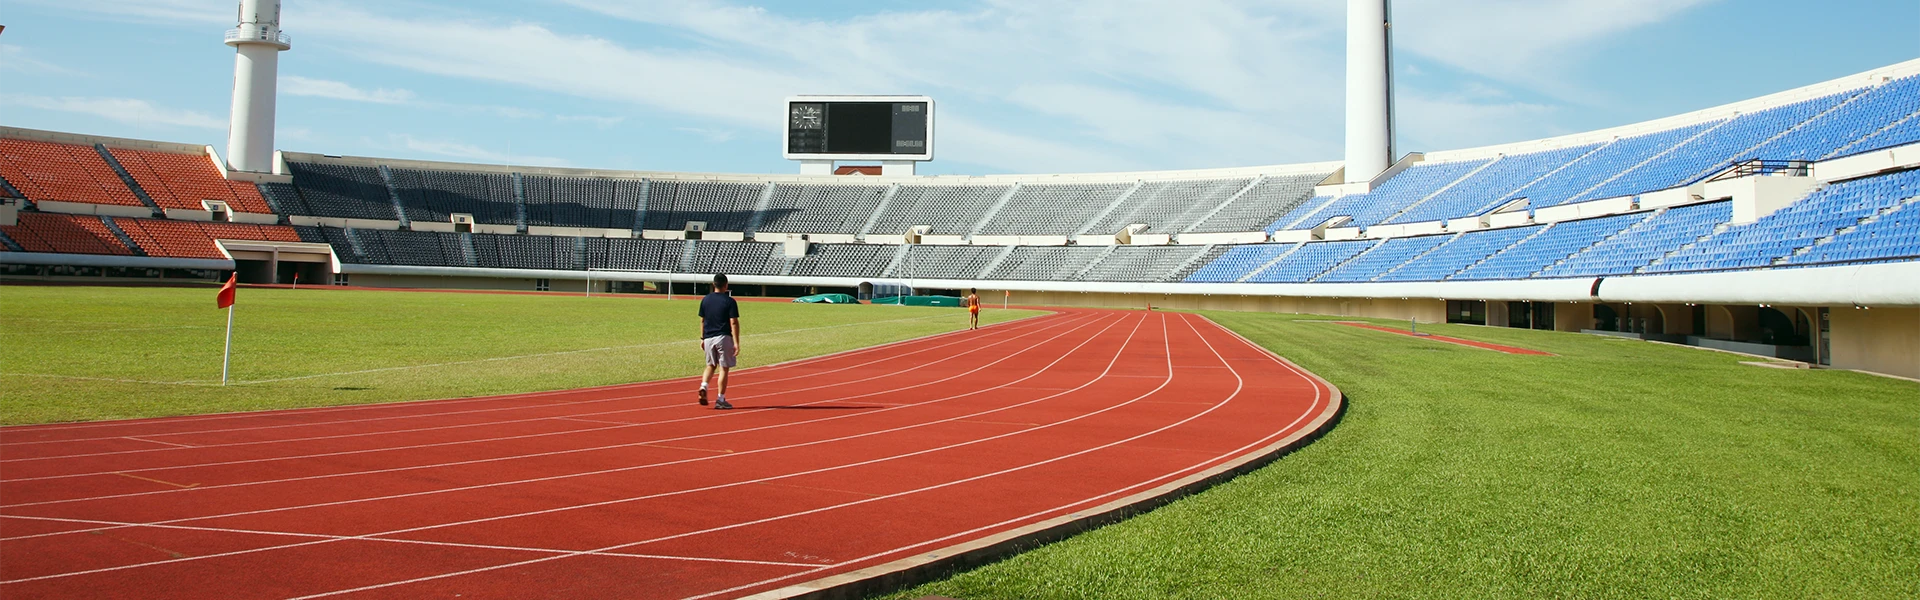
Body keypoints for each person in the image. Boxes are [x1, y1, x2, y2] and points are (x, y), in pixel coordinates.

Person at [696, 273, 741, 409]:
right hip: (723, 337)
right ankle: (720, 399)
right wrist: (736, 342)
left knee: (710, 365)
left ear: (713, 285)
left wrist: (703, 338)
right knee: (724, 368)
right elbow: (733, 322)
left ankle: (704, 385)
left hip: (708, 337)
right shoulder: (730, 301)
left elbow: (702, 320)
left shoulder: (705, 300)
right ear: (726, 285)